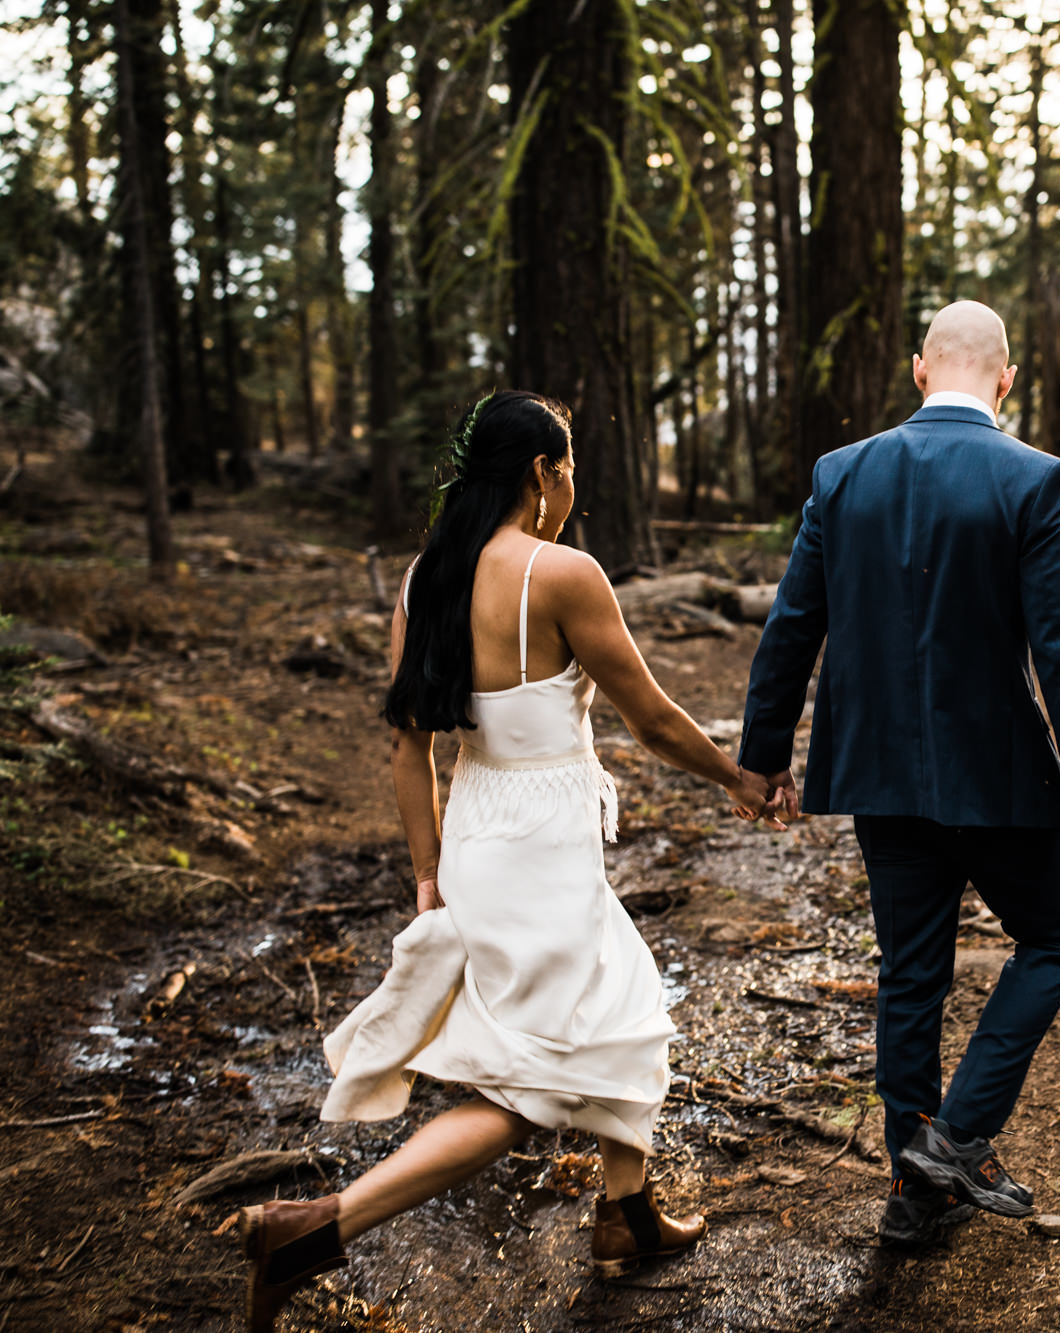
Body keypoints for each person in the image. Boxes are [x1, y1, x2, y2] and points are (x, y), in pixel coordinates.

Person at [234, 391, 780, 1331]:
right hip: (543, 843)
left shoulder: (425, 578)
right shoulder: (563, 573)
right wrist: (740, 776)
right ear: (542, 473)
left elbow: (410, 747)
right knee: (523, 1088)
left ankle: (627, 1214)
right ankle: (316, 1226)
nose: (573, 492)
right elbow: (649, 717)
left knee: (626, 1006)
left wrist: (427, 878)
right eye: (570, 473)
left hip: (482, 835)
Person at [737, 301, 1060, 1247]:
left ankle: (913, 1196)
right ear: (1006, 380)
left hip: (877, 773)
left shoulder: (843, 473)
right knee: (1056, 940)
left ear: (919, 371)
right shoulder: (1033, 478)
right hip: (1000, 776)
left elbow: (794, 624)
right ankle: (954, 1138)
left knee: (911, 974)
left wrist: (762, 756)